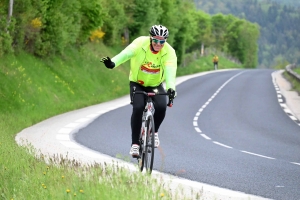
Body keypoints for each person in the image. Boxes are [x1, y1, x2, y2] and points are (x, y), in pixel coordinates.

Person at [100, 25, 177, 157]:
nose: (159, 44)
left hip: (155, 84)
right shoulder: (140, 43)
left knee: (161, 107)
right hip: (138, 83)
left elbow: (170, 72)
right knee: (138, 107)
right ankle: (135, 144)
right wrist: (113, 63)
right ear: (150, 38)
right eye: (156, 40)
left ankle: (154, 132)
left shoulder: (169, 52)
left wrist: (171, 89)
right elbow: (127, 53)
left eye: (162, 41)